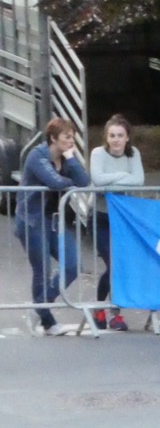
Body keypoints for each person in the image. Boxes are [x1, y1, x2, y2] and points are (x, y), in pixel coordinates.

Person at [16, 118, 92, 336]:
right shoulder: (37, 156)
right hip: (32, 220)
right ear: (53, 138)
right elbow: (55, 182)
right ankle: (47, 321)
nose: (71, 141)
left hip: (54, 220)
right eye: (67, 137)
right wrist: (70, 182)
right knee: (42, 270)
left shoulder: (66, 158)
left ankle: (39, 308)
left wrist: (71, 160)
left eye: (72, 137)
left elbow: (84, 181)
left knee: (72, 265)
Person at [89, 114, 145, 331]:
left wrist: (111, 179)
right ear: (106, 137)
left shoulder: (134, 154)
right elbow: (98, 180)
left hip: (122, 217)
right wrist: (124, 176)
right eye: (112, 135)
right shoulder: (98, 153)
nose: (116, 140)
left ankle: (115, 313)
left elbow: (139, 181)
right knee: (112, 264)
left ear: (127, 137)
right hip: (101, 216)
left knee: (120, 266)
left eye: (120, 135)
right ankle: (100, 307)